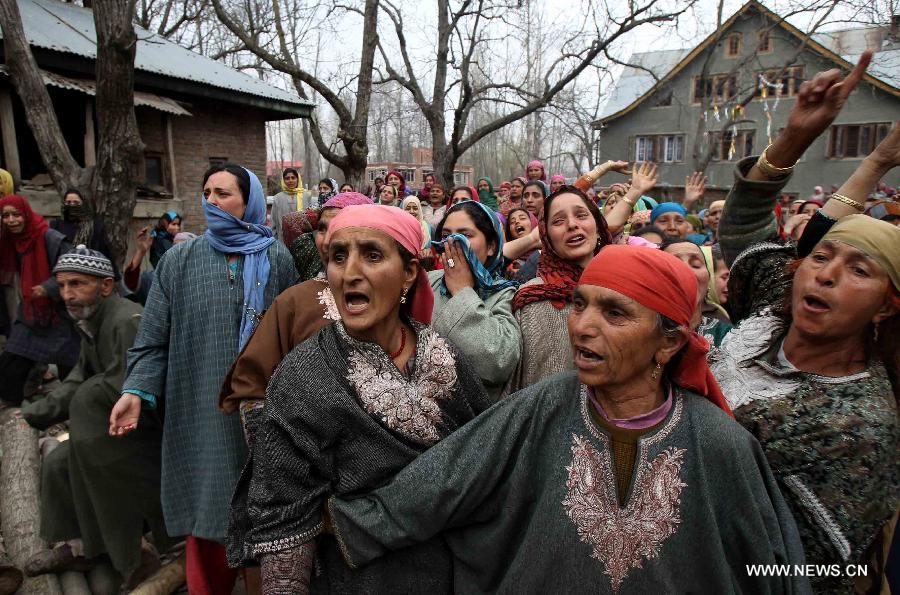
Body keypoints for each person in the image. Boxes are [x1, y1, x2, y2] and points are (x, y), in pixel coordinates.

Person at [326, 245, 809, 595]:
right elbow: (447, 481)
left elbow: (774, 567)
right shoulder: (545, 406)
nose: (582, 325)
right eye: (580, 304)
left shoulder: (721, 444)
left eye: (614, 313)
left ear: (669, 342)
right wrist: (340, 522)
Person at [226, 204, 491, 593]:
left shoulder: (443, 355)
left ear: (409, 273)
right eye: (338, 256)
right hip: (356, 579)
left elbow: (483, 459)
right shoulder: (302, 376)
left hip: (452, 573)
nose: (350, 272)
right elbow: (283, 518)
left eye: (372, 255)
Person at [712, 52, 899, 594]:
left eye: (858, 270)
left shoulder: (860, 427)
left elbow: (816, 570)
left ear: (887, 305)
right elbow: (744, 226)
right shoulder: (775, 309)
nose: (827, 275)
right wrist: (794, 136)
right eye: (820, 258)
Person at [109, 163, 297, 595]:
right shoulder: (180, 260)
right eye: (207, 193)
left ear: (248, 202)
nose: (211, 202)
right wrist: (136, 391)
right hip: (199, 412)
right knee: (209, 519)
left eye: (223, 194)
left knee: (263, 520)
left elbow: (293, 342)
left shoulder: (277, 259)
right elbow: (152, 339)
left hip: (262, 415)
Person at [20, 246, 169, 589]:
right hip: (109, 425)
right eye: (63, 286)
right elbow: (78, 376)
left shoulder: (125, 321)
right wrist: (35, 415)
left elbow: (128, 386)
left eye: (77, 284)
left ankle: (128, 552)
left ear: (105, 286)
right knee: (58, 463)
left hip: (140, 433)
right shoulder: (91, 321)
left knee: (93, 459)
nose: (67, 295)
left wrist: (87, 399)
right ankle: (78, 544)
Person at [219, 192, 373, 419]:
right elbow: (251, 390)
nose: (328, 239)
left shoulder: (397, 295)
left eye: (341, 225)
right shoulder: (293, 302)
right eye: (321, 228)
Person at [505, 186, 610, 393]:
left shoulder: (623, 286)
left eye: (581, 215)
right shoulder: (533, 298)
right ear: (547, 237)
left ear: (598, 226)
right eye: (558, 221)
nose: (572, 225)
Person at [429, 201, 521, 400]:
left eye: (466, 235)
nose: (452, 242)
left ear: (491, 246)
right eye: (445, 236)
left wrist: (462, 290)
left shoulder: (507, 294)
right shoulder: (428, 282)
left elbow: (498, 362)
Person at [0, 195, 77, 405]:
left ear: (26, 214)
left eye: (16, 215)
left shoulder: (49, 237)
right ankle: (15, 416)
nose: (11, 220)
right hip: (31, 315)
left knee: (73, 372)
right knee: (10, 365)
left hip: (59, 316)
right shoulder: (10, 241)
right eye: (5, 216)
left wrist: (48, 287)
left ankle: (78, 414)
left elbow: (71, 267)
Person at [659, 238, 732, 347]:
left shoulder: (728, 335)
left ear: (708, 280)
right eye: (673, 263)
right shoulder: (642, 334)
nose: (686, 270)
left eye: (696, 265)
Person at [50, 189, 114, 269]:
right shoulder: (56, 225)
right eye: (68, 202)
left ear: (83, 204)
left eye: (76, 202)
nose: (72, 205)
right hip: (63, 269)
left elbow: (105, 251)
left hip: (90, 269)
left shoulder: (96, 226)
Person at [503, 207, 540, 281]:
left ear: (533, 222)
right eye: (512, 222)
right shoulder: (507, 263)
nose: (517, 222)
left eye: (522, 218)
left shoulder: (548, 252)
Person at [271, 168, 305, 243]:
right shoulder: (278, 198)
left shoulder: (306, 196)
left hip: (303, 241)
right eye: (287, 178)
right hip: (283, 240)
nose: (290, 180)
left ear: (298, 179)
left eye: (293, 178)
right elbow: (273, 222)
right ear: (283, 181)